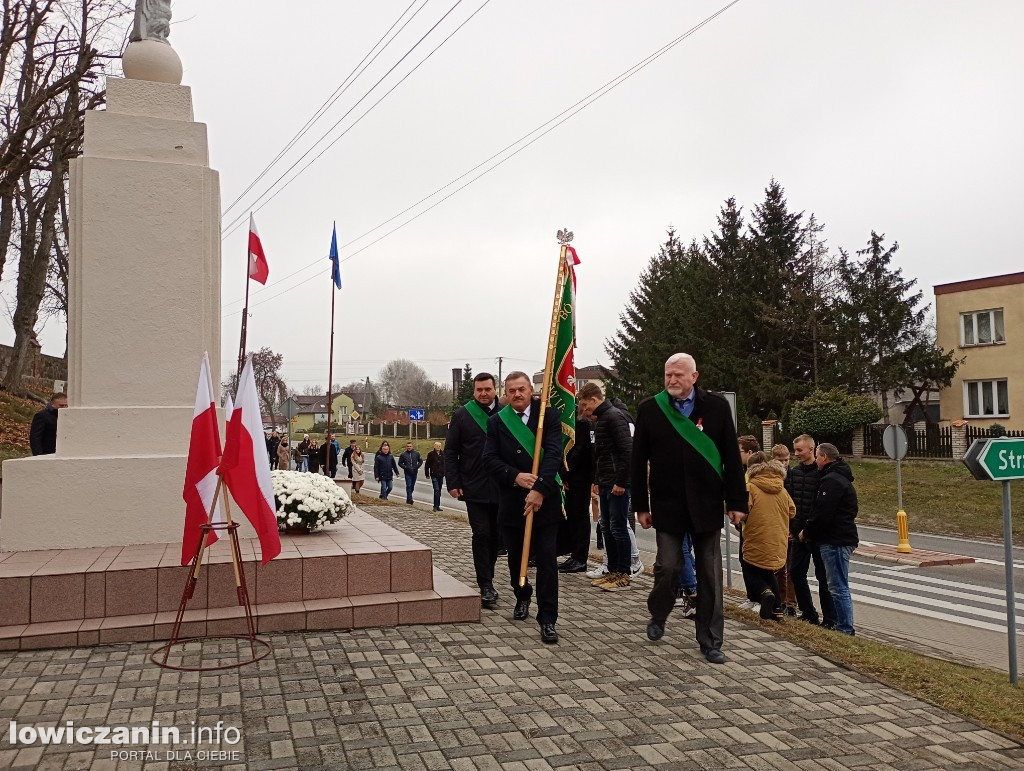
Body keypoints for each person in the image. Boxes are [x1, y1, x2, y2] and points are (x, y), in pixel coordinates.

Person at [632, 353, 746, 665]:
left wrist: (736, 502)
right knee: (669, 566)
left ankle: (710, 640)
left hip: (707, 506)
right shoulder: (650, 408)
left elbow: (731, 459)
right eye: (668, 375)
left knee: (709, 575)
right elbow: (638, 459)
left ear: (694, 377)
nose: (671, 380)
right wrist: (640, 504)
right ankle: (659, 612)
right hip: (668, 506)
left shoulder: (717, 408)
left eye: (678, 375)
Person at [482, 371, 564, 644]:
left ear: (531, 390)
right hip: (512, 501)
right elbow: (489, 459)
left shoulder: (548, 417)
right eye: (512, 390)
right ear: (505, 393)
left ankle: (548, 618)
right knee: (517, 559)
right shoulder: (496, 422)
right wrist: (514, 476)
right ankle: (522, 594)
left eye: (522, 389)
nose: (517, 394)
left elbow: (553, 454)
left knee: (547, 561)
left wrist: (540, 488)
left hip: (545, 502)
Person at [446, 373, 505, 608]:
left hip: (502, 486)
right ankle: (486, 584)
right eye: (479, 389)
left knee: (497, 538)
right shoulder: (462, 415)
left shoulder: (506, 414)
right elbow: (451, 451)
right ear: (474, 391)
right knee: (481, 534)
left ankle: (488, 575)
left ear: (494, 389)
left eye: (487, 389)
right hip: (474, 486)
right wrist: (453, 482)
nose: (483, 393)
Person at [578, 382, 634, 592]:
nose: (585, 410)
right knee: (608, 527)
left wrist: (621, 481)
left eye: (586, 405)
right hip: (606, 482)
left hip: (617, 484)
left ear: (594, 399)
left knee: (618, 528)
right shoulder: (602, 419)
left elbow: (627, 451)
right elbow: (600, 455)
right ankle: (612, 570)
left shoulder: (613, 417)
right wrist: (597, 480)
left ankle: (624, 573)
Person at [801, 443, 859, 635]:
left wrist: (807, 532)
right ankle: (843, 625)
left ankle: (845, 628)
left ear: (824, 457)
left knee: (837, 586)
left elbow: (822, 513)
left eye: (817, 457)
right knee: (837, 584)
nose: (816, 460)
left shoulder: (832, 481)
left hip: (836, 540)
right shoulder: (838, 478)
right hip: (839, 538)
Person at [736, 451, 795, 620]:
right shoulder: (781, 489)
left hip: (756, 535)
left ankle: (764, 592)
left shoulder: (751, 487)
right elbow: (792, 510)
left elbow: (744, 510)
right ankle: (777, 609)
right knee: (768, 571)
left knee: (749, 567)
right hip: (777, 537)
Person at [785, 434, 835, 627]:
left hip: (818, 535)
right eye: (795, 449)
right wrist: (792, 527)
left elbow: (822, 506)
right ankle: (808, 613)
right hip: (798, 534)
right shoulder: (794, 473)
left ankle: (830, 619)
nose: (796, 453)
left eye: (799, 450)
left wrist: (811, 529)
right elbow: (789, 501)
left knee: (823, 578)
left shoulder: (822, 473)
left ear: (811, 449)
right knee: (796, 572)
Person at [559, 413, 593, 574]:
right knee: (571, 516)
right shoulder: (568, 420)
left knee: (580, 517)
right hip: (570, 478)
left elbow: (579, 451)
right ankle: (574, 554)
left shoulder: (581, 423)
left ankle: (581, 558)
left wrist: (566, 474)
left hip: (580, 477)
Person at [424, 441, 445, 511]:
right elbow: (427, 465)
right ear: (434, 446)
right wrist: (427, 474)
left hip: (441, 475)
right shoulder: (431, 454)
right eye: (437, 446)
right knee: (436, 489)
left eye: (439, 446)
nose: (438, 447)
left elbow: (445, 464)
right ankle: (435, 506)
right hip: (434, 474)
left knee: (439, 491)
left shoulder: (443, 454)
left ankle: (438, 505)